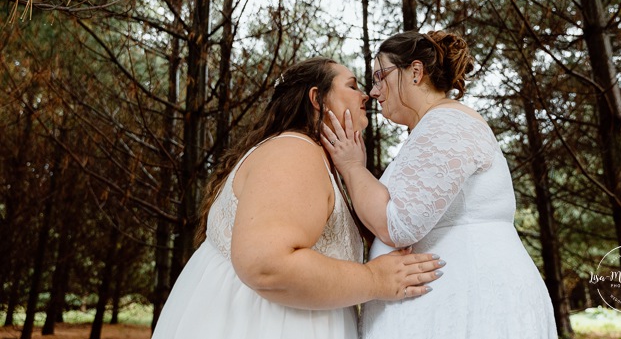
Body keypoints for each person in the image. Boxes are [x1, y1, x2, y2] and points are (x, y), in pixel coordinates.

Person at [151, 57, 444, 339]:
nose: (365, 95)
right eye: (352, 86)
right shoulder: (294, 152)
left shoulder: (309, 156)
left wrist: (352, 170)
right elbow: (267, 264)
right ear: (317, 99)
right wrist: (376, 280)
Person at [322, 32, 557, 338]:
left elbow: (399, 225)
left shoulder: (447, 123)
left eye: (381, 76)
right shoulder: (431, 129)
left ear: (415, 73)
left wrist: (353, 167)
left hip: (469, 304)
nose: (375, 91)